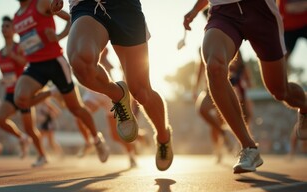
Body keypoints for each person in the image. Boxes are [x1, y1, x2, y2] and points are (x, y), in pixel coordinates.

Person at [184, 0, 307, 173]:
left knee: (280, 91)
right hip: (223, 12)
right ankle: (249, 147)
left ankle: (305, 106)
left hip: (261, 10)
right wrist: (195, 9)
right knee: (214, 67)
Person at [50, 0, 173, 171]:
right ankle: (118, 94)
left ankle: (163, 136)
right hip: (86, 5)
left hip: (124, 7)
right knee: (81, 61)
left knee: (141, 92)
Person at [13, 0, 109, 165]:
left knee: (76, 108)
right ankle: (52, 92)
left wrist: (58, 36)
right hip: (35, 65)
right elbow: (29, 38)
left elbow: (72, 18)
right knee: (20, 99)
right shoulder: (17, 16)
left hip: (55, 63)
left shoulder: (41, 3)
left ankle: (96, 139)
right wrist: (24, 46)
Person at [0, 16, 47, 162]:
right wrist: (4, 80)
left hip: (23, 92)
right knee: (0, 120)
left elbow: (25, 62)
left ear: (13, 30)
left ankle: (42, 155)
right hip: (10, 92)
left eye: (7, 26)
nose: (4, 29)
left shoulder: (19, 47)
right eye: (2, 26)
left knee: (30, 128)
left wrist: (13, 56)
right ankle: (22, 138)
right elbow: (5, 71)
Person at [76, 47, 138, 168]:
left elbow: (107, 53)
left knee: (115, 135)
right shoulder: (82, 46)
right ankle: (90, 142)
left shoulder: (104, 53)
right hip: (93, 92)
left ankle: (131, 154)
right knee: (79, 115)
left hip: (107, 92)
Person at [277, 0, 307, 159]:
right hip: (288, 26)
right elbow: (289, 7)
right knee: (280, 61)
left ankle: (293, 152)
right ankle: (292, 153)